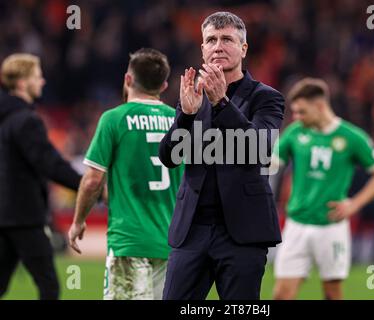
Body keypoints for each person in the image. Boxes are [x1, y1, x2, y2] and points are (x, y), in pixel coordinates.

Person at [158, 11, 285, 300]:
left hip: (242, 232)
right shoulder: (192, 96)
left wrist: (222, 103)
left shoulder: (266, 97)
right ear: (202, 49)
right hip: (192, 230)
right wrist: (186, 118)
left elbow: (257, 149)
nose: (218, 46)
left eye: (227, 39)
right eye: (211, 40)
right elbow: (168, 157)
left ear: (243, 48)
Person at [68, 48, 183, 300]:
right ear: (164, 85)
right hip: (173, 243)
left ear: (128, 79)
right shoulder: (179, 121)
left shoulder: (114, 119)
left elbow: (93, 180)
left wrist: (78, 221)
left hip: (129, 240)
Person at [271, 78, 374, 300]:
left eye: (301, 112)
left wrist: (354, 204)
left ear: (319, 106)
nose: (296, 117)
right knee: (281, 294)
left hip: (331, 226)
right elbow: (270, 163)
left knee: (332, 294)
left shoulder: (351, 137)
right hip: (296, 224)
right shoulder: (295, 132)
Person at [0, 53, 81, 300]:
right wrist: (87, 186)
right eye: (37, 76)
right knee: (49, 287)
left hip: (3, 217)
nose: (43, 81)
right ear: (23, 83)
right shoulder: (27, 121)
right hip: (25, 217)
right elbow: (50, 163)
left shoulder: (5, 119)